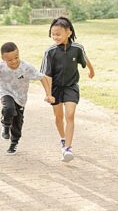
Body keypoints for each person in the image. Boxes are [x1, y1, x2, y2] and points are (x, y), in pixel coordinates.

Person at [40, 16, 95, 162]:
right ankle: (63, 139)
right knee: (59, 117)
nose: (55, 37)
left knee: (70, 115)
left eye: (58, 34)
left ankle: (68, 148)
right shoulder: (50, 52)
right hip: (55, 88)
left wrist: (91, 69)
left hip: (71, 86)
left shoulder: (77, 48)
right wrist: (48, 94)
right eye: (53, 34)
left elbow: (85, 57)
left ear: (69, 32)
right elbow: (46, 75)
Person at [0, 42, 54, 155]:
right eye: (9, 60)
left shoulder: (26, 68)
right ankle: (5, 125)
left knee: (18, 122)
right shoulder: (0, 67)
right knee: (8, 108)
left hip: (21, 98)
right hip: (7, 93)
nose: (14, 61)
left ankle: (14, 142)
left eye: (16, 57)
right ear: (3, 59)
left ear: (19, 54)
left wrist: (48, 94)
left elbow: (42, 78)